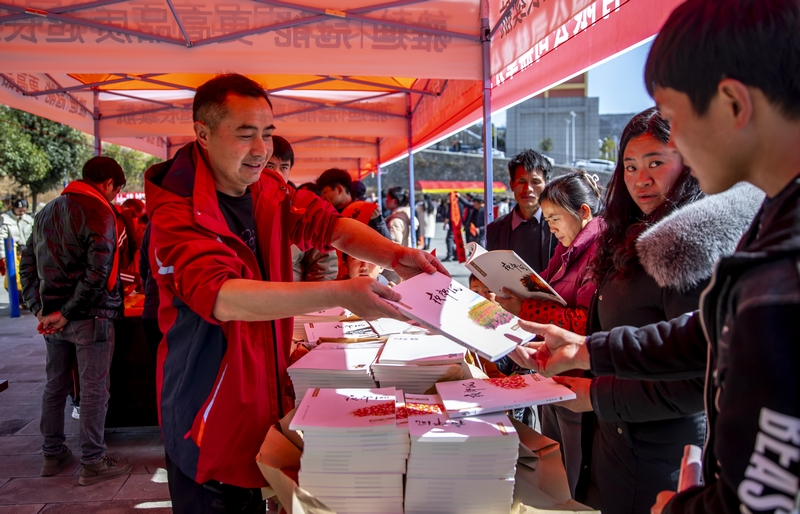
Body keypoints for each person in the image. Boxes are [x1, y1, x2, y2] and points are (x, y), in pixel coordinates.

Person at [143, 74, 446, 513]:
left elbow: (330, 225)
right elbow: (222, 296)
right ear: (202, 134)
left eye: (267, 134)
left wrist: (396, 255)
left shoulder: (267, 188)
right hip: (208, 411)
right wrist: (342, 292)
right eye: (245, 134)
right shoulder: (177, 209)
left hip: (264, 398)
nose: (261, 149)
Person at [516, 77, 781, 514]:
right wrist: (585, 351)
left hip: (661, 454)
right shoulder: (627, 235)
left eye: (656, 162)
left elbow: (696, 377)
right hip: (612, 444)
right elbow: (653, 337)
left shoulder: (691, 243)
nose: (642, 179)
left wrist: (594, 388)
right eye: (631, 165)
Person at [19, 156, 133, 486]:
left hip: (54, 318)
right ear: (109, 184)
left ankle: (52, 453)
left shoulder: (46, 212)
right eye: (116, 189)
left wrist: (41, 309)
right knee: (94, 389)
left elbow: (27, 264)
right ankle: (93, 461)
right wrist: (64, 312)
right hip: (89, 316)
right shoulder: (100, 212)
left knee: (56, 387)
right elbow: (98, 273)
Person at [496, 171, 605, 496]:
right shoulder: (567, 248)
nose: (552, 227)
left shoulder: (599, 252)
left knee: (573, 473)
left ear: (583, 212)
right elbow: (543, 285)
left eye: (556, 218)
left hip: (577, 376)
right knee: (556, 463)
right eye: (548, 219)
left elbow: (585, 322)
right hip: (552, 372)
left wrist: (523, 309)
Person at [266, 136, 338, 282]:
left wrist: (311, 301)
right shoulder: (239, 205)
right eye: (269, 166)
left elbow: (324, 264)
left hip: (294, 300)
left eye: (284, 167)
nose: (277, 173)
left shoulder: (301, 209)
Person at [486, 149, 557, 272]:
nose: (528, 188)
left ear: (547, 185)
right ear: (512, 184)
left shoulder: (559, 227)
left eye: (535, 182)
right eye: (521, 181)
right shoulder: (495, 228)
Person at [1, 198, 34, 294]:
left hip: (27, 251)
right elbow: (1, 238)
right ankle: (17, 298)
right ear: (14, 208)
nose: (22, 213)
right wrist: (3, 255)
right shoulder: (5, 219)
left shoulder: (29, 219)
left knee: (28, 276)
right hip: (12, 252)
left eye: (24, 210)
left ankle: (26, 299)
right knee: (13, 278)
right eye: (20, 210)